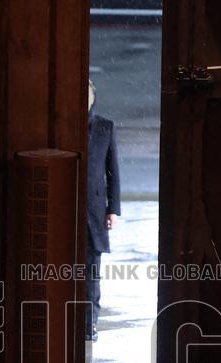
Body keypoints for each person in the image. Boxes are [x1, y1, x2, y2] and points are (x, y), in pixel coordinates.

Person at [86, 79, 121, 341]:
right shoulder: (64, 125)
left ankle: (90, 324)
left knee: (91, 271)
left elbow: (113, 171)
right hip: (70, 206)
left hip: (95, 210)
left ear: (93, 97)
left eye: (87, 94)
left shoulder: (105, 127)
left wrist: (113, 209)